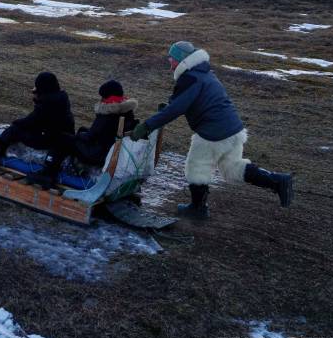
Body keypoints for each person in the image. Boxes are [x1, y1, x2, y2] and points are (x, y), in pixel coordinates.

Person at [132, 41, 294, 219]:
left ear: (181, 60)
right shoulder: (204, 73)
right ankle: (278, 181)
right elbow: (187, 101)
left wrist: (146, 126)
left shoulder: (190, 77)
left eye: (172, 58)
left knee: (196, 167)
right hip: (233, 128)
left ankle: (197, 209)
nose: (169, 62)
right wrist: (169, 107)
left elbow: (176, 109)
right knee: (232, 168)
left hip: (213, 132)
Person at [0, 71, 75, 189]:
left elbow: (31, 121)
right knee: (20, 129)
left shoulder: (47, 102)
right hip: (60, 138)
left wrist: (16, 123)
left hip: (48, 138)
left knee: (15, 129)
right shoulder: (61, 97)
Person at [73, 79, 136, 167]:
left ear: (108, 97)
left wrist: (77, 136)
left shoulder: (107, 114)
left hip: (100, 155)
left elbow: (90, 137)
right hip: (114, 151)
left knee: (67, 139)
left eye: (103, 96)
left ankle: (64, 168)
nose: (101, 99)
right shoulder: (127, 111)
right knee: (82, 130)